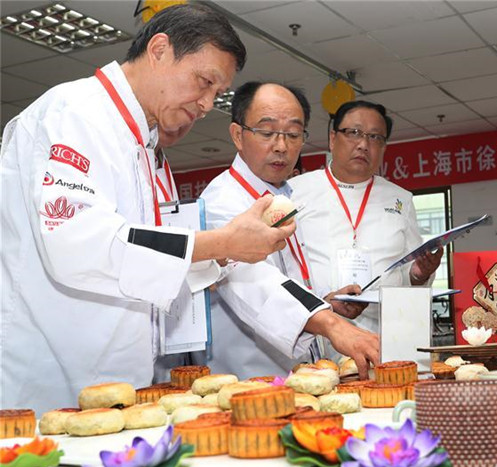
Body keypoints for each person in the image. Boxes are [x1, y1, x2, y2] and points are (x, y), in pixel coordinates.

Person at [0, 4, 294, 414]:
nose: (208, 103)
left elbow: (142, 261)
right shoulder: (75, 113)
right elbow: (80, 244)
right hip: (54, 382)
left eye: (217, 92)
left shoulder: (143, 146)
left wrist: (224, 251)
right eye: (204, 82)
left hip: (120, 380)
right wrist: (218, 241)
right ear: (159, 50)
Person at [200, 82, 379, 379]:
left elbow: (287, 278)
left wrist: (325, 302)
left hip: (296, 372)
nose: (281, 146)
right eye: (267, 132)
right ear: (237, 135)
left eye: (293, 134)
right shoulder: (221, 201)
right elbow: (255, 282)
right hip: (247, 376)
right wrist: (330, 324)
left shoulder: (284, 196)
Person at [290, 101, 443, 336]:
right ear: (332, 138)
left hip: (386, 332)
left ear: (383, 148)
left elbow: (409, 273)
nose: (363, 144)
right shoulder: (295, 192)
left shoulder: (400, 199)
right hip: (318, 332)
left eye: (375, 137)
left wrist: (419, 273)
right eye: (354, 133)